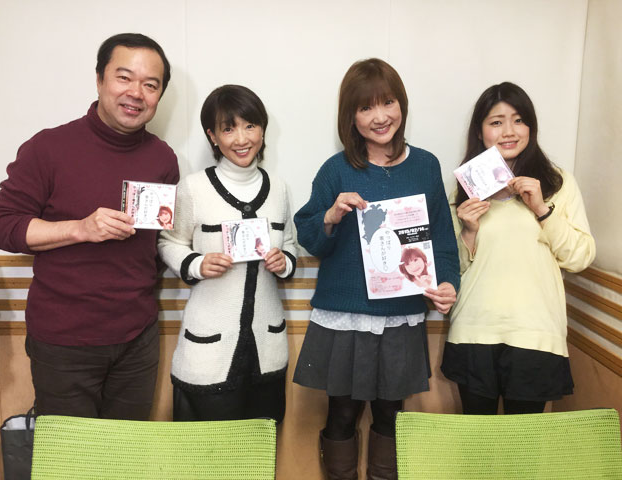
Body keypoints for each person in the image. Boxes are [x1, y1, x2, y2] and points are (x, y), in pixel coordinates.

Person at [0, 33, 179, 420]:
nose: (136, 93)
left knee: (126, 447)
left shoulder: (162, 158)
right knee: (69, 452)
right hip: (63, 341)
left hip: (137, 337)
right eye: (124, 77)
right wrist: (79, 229)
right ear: (99, 79)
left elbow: (160, 242)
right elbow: (2, 227)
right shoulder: (48, 148)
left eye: (150, 84)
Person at [293, 58, 460, 480]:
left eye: (387, 102)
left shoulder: (426, 165)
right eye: (365, 107)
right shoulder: (336, 169)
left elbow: (442, 237)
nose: (379, 116)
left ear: (402, 104)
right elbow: (309, 236)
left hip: (401, 315)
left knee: (390, 415)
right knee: (342, 415)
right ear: (350, 116)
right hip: (345, 317)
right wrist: (331, 215)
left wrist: (446, 284)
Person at [441, 82, 596, 415]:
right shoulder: (461, 191)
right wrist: (468, 231)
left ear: (531, 127)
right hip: (474, 330)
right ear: (480, 131)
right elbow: (450, 270)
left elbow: (580, 257)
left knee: (523, 441)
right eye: (496, 122)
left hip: (536, 333)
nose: (509, 131)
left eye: (519, 120)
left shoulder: (558, 183)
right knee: (477, 438)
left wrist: (542, 209)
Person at [158, 84, 297, 423]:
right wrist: (196, 264)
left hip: (266, 346)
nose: (242, 138)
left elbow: (290, 243)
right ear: (213, 136)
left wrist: (284, 262)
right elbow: (168, 241)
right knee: (207, 447)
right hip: (208, 349)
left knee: (259, 445)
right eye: (228, 128)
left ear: (262, 130)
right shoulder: (193, 188)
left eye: (250, 125)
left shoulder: (278, 188)